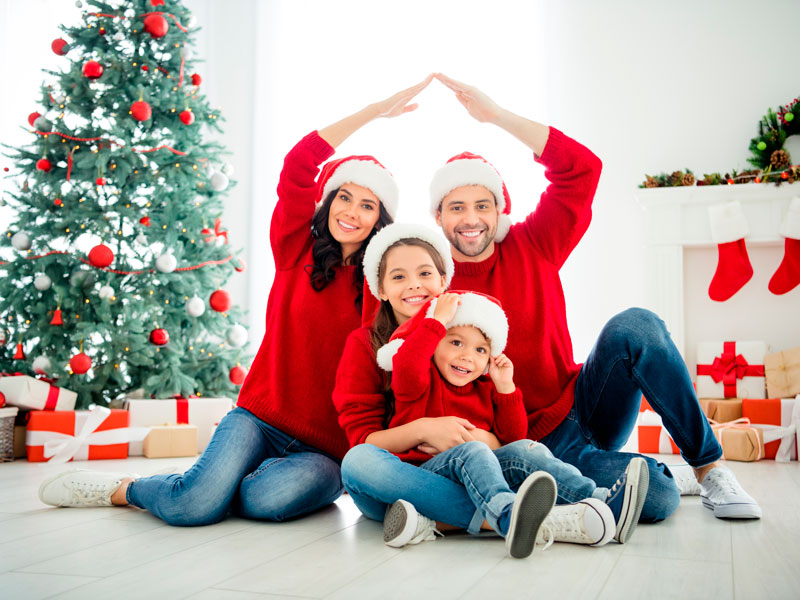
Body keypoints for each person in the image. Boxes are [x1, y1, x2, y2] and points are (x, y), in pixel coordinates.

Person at [36, 77, 434, 524]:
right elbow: (298, 166)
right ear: (328, 200)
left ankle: (208, 482)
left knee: (264, 502)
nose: (352, 212)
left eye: (368, 206)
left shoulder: (382, 284)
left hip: (326, 447)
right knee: (193, 507)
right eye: (345, 197)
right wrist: (374, 110)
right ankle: (128, 489)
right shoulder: (295, 250)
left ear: (380, 220)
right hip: (259, 417)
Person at [423, 72, 760, 520]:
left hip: (583, 406)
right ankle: (656, 474)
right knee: (657, 499)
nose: (471, 219)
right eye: (457, 207)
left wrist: (497, 116)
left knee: (635, 325)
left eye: (482, 205)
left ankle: (709, 468)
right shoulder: (430, 284)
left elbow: (582, 169)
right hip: (524, 444)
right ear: (438, 216)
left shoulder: (533, 244)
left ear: (500, 209)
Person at [334, 223, 649, 555]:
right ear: (379, 287)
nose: (413, 284)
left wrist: (503, 396)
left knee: (527, 450)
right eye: (398, 277)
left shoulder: (466, 355)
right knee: (357, 462)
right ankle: (517, 518)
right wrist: (425, 428)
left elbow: (511, 438)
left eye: (425, 273)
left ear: (444, 282)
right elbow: (394, 388)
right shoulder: (397, 353)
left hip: (477, 471)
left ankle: (596, 501)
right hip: (404, 479)